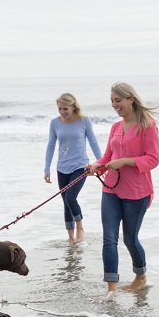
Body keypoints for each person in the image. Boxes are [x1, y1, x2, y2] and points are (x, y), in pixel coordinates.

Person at [86, 82, 159, 297]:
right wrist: (96, 167)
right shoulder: (115, 127)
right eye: (112, 101)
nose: (114, 105)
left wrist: (126, 161)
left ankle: (141, 275)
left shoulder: (148, 125)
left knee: (129, 239)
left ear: (131, 99)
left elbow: (153, 159)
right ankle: (111, 288)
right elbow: (108, 157)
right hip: (111, 189)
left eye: (118, 100)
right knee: (109, 237)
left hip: (137, 192)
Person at [44, 92, 102, 244]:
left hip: (80, 166)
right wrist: (46, 168)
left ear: (73, 106)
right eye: (60, 109)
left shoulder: (84, 121)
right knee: (65, 202)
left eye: (65, 109)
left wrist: (102, 163)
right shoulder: (55, 123)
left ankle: (80, 227)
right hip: (62, 167)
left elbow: (93, 142)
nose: (62, 112)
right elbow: (50, 145)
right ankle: (71, 238)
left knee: (71, 197)